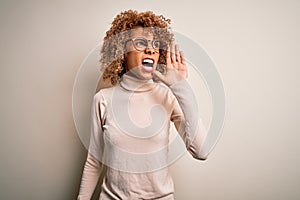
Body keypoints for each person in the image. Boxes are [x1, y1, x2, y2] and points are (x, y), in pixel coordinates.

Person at [77, 10, 208, 200]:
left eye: (156, 44)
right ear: (121, 51)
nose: (150, 50)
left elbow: (201, 151)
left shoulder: (167, 96)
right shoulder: (102, 99)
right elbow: (94, 162)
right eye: (140, 43)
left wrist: (181, 86)